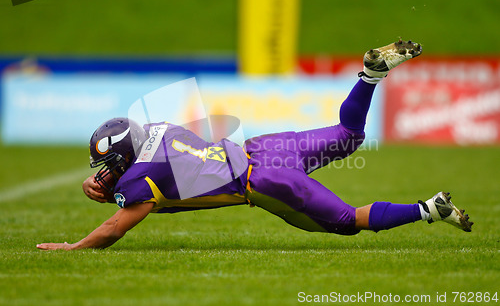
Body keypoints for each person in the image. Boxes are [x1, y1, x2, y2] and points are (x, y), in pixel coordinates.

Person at [36, 39, 473, 251]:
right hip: (264, 148)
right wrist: (108, 184)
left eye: (110, 163)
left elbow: (116, 226)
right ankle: (371, 76)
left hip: (261, 179)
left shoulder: (139, 175)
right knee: (349, 136)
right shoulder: (158, 129)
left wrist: (75, 247)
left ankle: (428, 209)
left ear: (126, 154)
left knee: (346, 221)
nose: (107, 171)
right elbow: (144, 174)